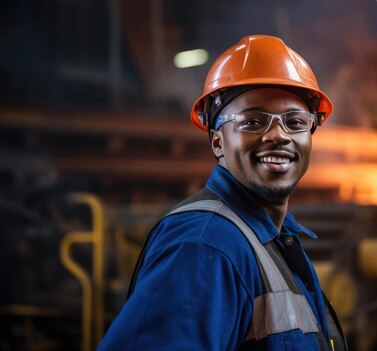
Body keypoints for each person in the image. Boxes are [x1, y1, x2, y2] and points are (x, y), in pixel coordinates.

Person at [98, 35, 346, 351]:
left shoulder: (269, 239)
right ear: (218, 142)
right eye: (253, 121)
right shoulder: (205, 245)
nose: (278, 135)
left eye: (295, 122)